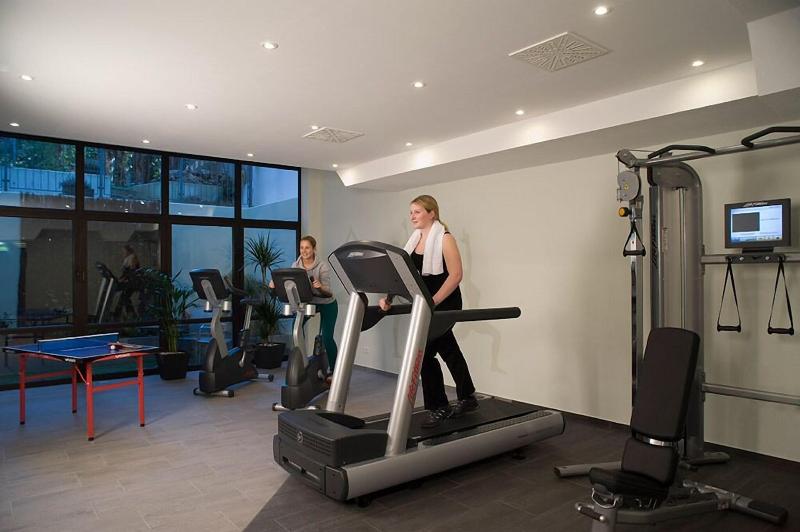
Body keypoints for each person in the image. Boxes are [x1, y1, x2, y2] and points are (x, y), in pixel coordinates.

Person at [379, 195, 478, 428]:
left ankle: (439, 406)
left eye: (417, 211)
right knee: (448, 349)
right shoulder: (414, 241)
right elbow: (400, 274)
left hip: (445, 301)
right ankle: (467, 396)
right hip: (426, 303)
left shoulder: (445, 238)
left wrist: (434, 301)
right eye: (411, 212)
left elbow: (456, 275)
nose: (412, 216)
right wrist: (388, 298)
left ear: (432, 213)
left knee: (424, 354)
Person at [272, 236, 338, 370]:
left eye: (307, 247)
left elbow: (329, 292)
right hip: (309, 302)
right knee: (296, 328)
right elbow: (290, 286)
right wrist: (276, 284)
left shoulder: (322, 266)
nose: (304, 251)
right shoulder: (295, 266)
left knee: (327, 337)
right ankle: (302, 362)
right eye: (301, 248)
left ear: (314, 249)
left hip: (327, 303)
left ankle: (335, 370)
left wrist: (320, 287)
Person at [115, 244, 141, 320]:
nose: (123, 253)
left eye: (124, 251)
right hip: (129, 280)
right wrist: (120, 278)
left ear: (128, 251)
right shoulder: (127, 259)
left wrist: (124, 279)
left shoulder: (132, 257)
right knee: (124, 297)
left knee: (124, 297)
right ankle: (131, 314)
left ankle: (125, 314)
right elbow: (126, 272)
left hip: (133, 282)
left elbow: (132, 271)